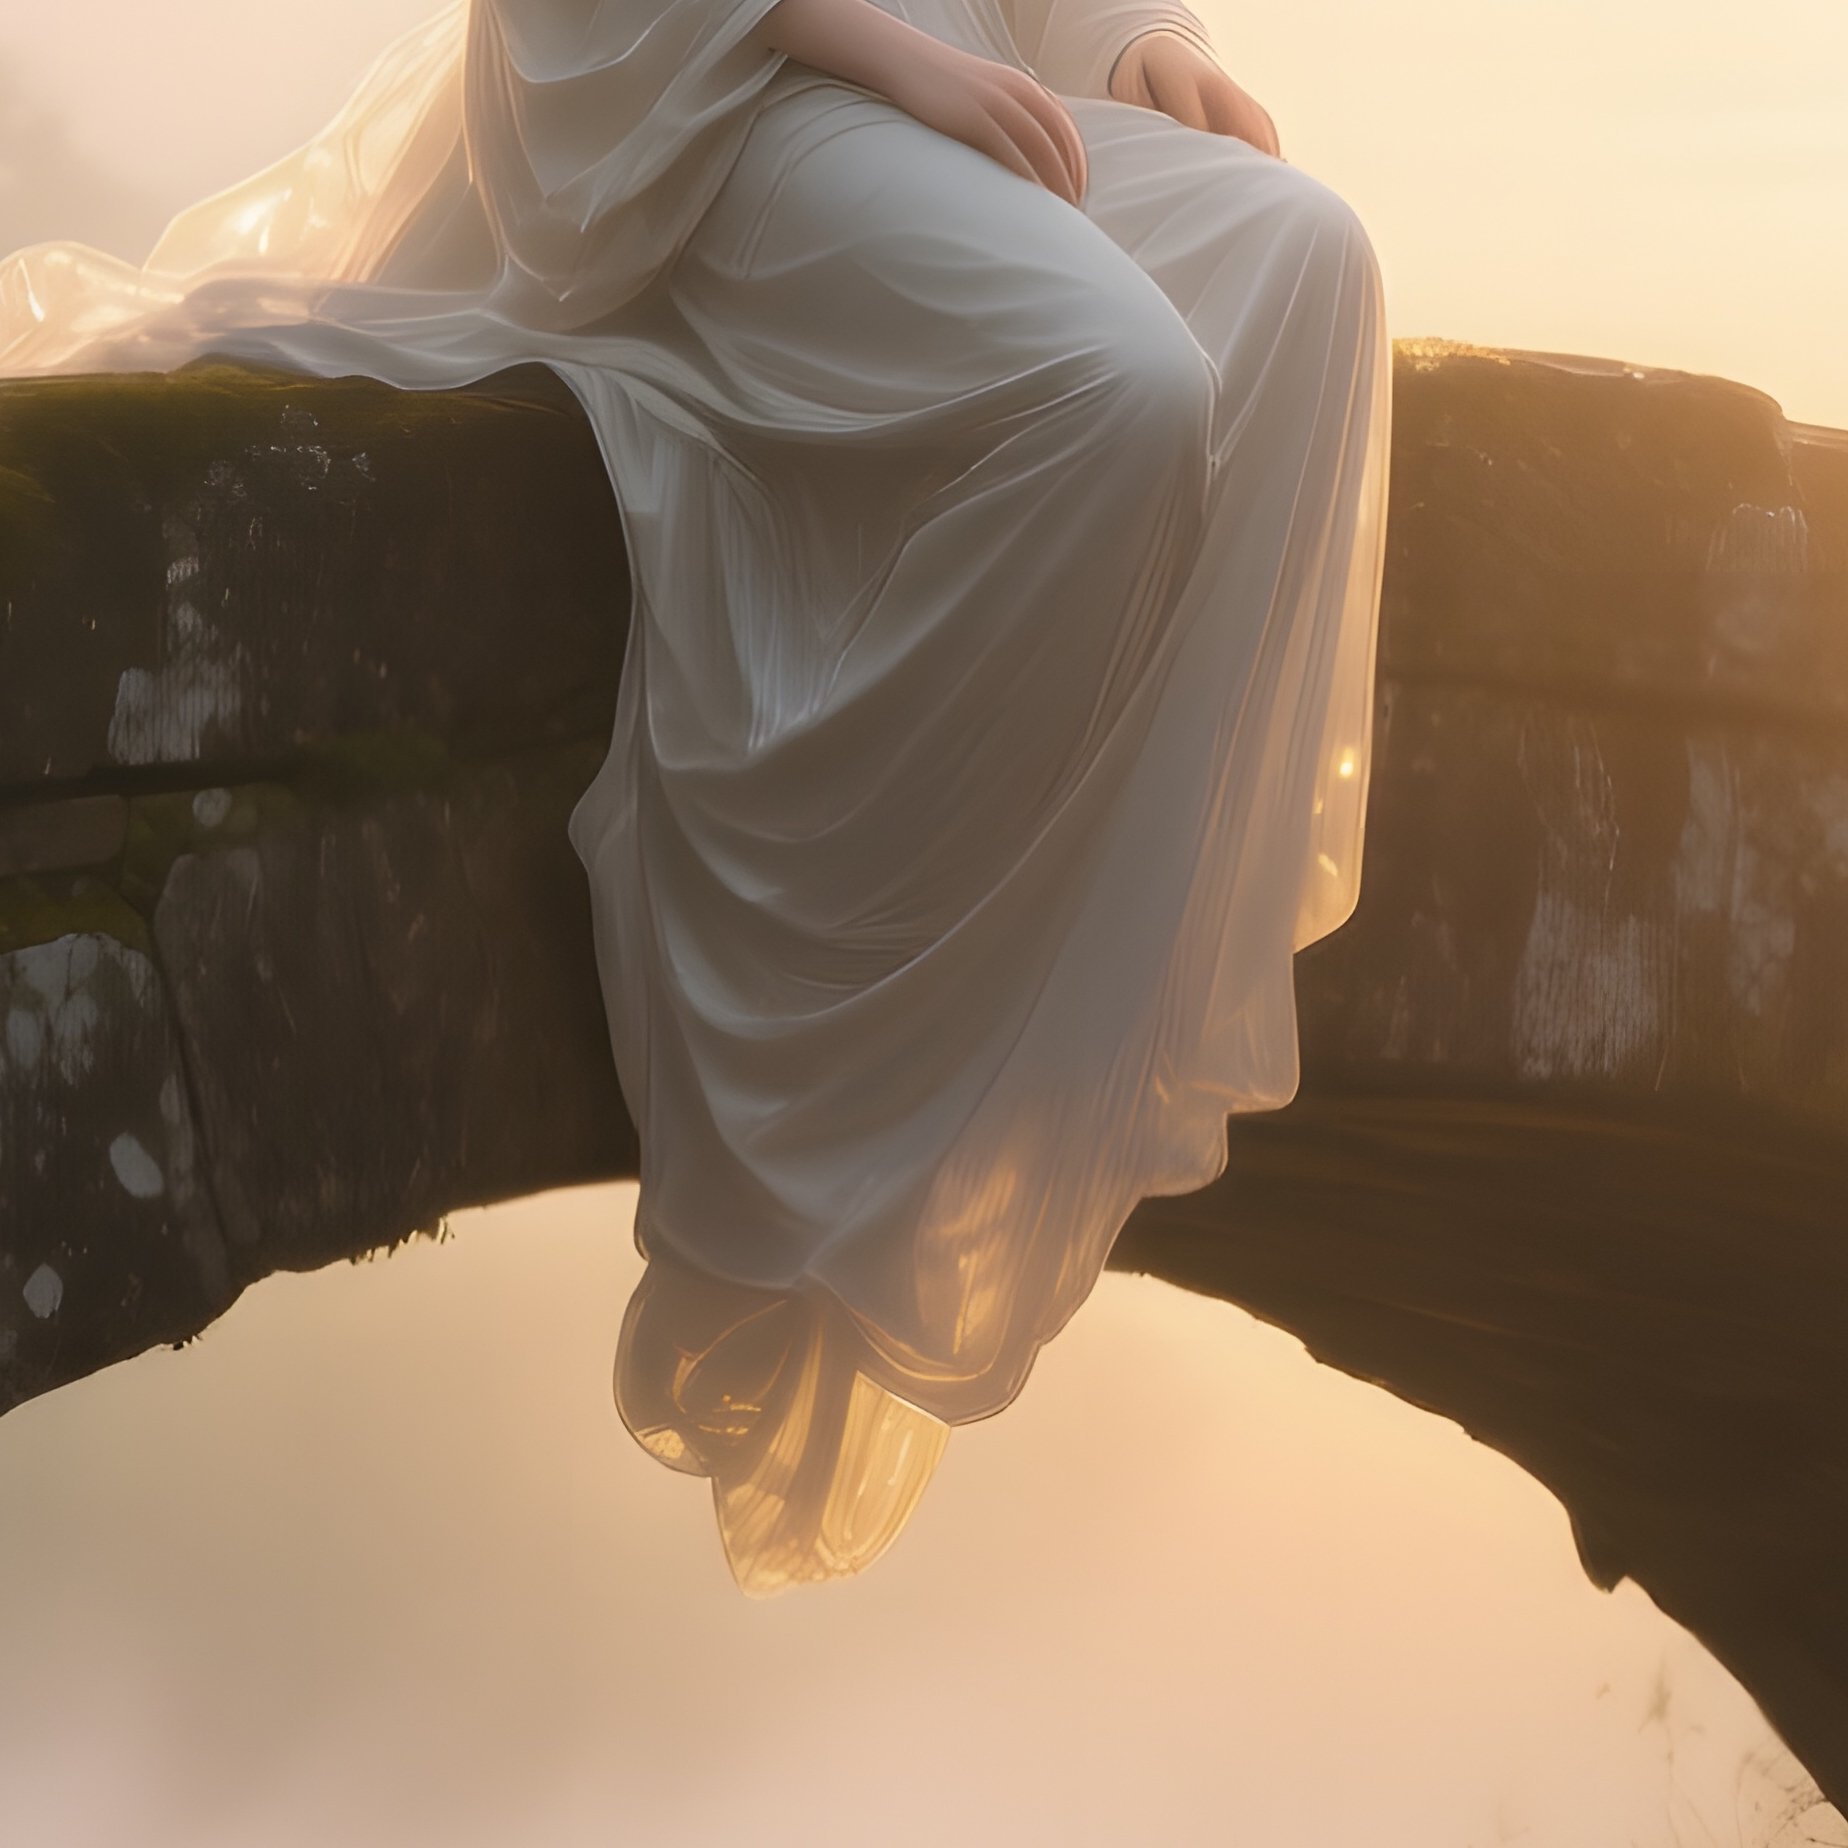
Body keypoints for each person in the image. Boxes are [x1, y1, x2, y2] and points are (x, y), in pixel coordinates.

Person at [1, 0, 1390, 1594]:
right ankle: (833, 1031)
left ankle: (1048, 1008)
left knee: (1311, 261)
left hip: (957, 55)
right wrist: (870, 45)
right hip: (710, 90)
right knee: (1125, 386)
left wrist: (1130, 30)